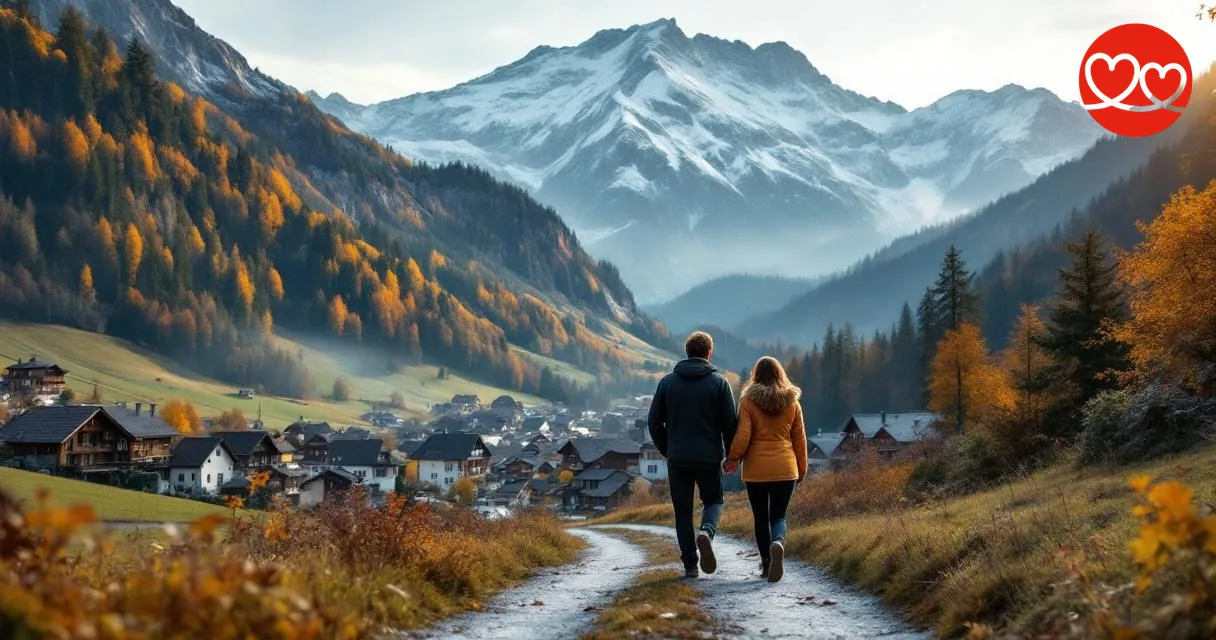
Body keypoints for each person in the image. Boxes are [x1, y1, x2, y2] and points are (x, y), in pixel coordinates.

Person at [648, 331, 737, 579]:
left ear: (687, 352)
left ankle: (690, 565)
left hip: (678, 457)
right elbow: (730, 423)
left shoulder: (667, 383)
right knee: (714, 501)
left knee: (683, 512)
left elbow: (654, 422)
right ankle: (706, 532)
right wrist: (731, 456)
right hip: (708, 457)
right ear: (709, 353)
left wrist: (667, 449)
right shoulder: (719, 383)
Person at [723, 356, 807, 583]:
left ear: (756, 375)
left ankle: (767, 564)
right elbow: (800, 440)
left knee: (761, 517)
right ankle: (778, 542)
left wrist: (732, 459)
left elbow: (743, 436)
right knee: (778, 515)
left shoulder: (748, 402)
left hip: (756, 470)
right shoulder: (793, 404)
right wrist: (802, 468)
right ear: (781, 374)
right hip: (785, 469)